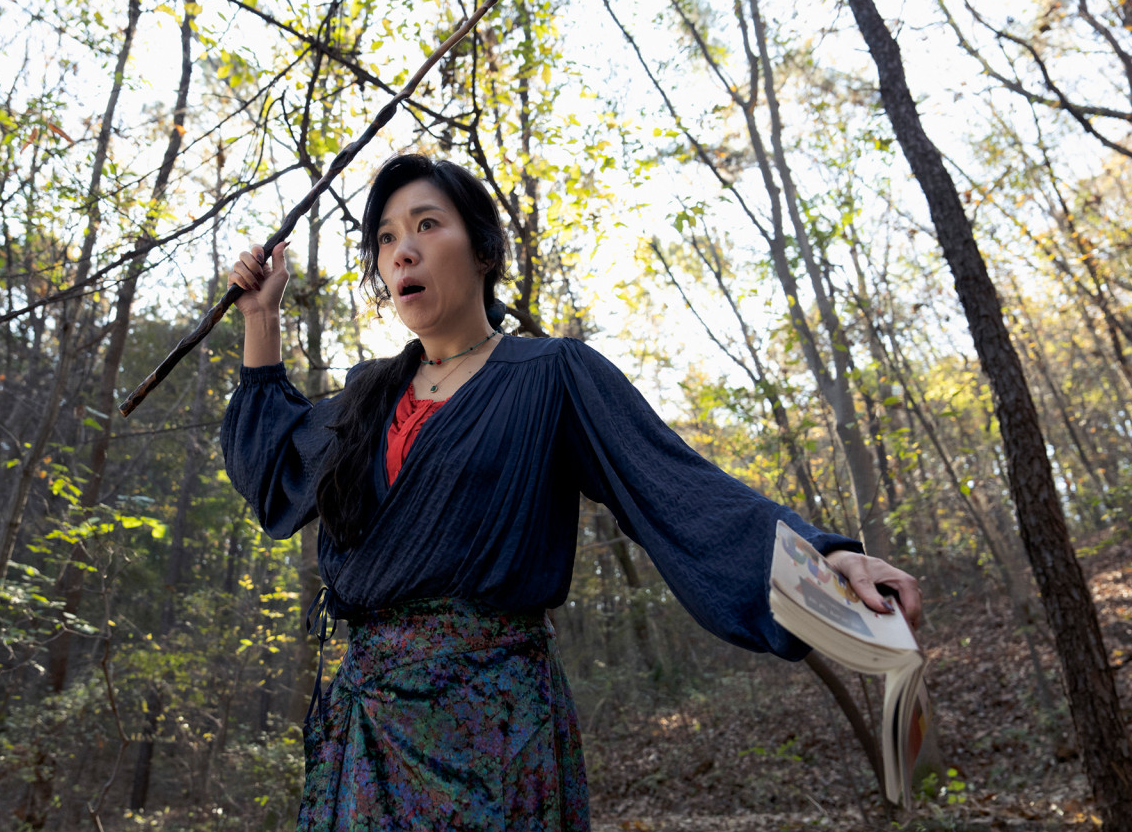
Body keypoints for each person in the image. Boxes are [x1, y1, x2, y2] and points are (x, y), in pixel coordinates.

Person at [222, 153, 922, 831]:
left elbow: (677, 487)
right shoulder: (367, 395)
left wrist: (824, 557)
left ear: (484, 249)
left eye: (427, 224)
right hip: (368, 731)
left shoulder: (552, 373)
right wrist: (260, 318)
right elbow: (276, 473)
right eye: (385, 238)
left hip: (493, 726)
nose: (403, 250)